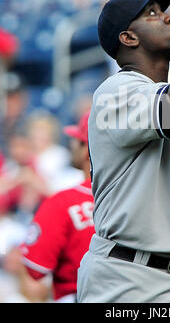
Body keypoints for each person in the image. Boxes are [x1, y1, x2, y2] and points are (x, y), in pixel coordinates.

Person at [77, 0, 170, 303]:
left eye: (164, 10)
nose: (169, 17)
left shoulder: (165, 96)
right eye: (152, 14)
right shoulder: (114, 92)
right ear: (128, 38)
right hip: (128, 278)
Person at [20, 112, 95, 303]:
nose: (72, 145)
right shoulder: (138, 197)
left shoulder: (62, 202)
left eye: (77, 141)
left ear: (86, 151)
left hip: (78, 297)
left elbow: (35, 270)